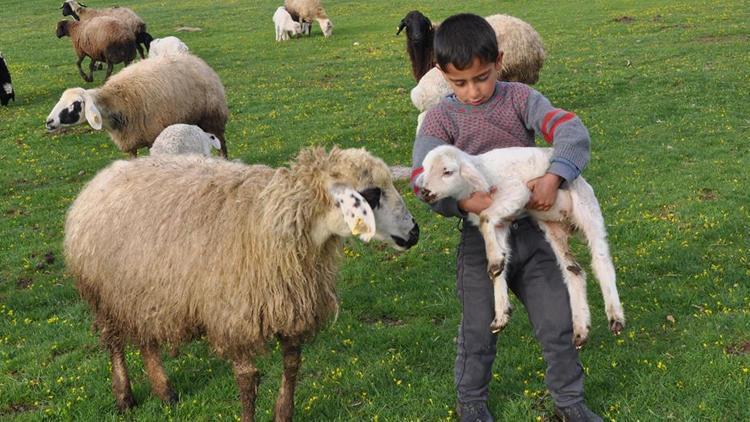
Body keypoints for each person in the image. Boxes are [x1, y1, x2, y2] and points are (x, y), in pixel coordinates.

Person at [410, 13, 603, 422]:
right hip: (481, 241)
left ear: (498, 61)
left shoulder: (521, 99)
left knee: (557, 319)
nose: (473, 91)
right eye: (458, 83)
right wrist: (461, 204)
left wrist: (556, 175)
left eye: (481, 78)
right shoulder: (439, 119)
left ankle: (570, 402)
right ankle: (472, 401)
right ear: (441, 74)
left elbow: (570, 130)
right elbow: (418, 177)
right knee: (479, 327)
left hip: (535, 233)